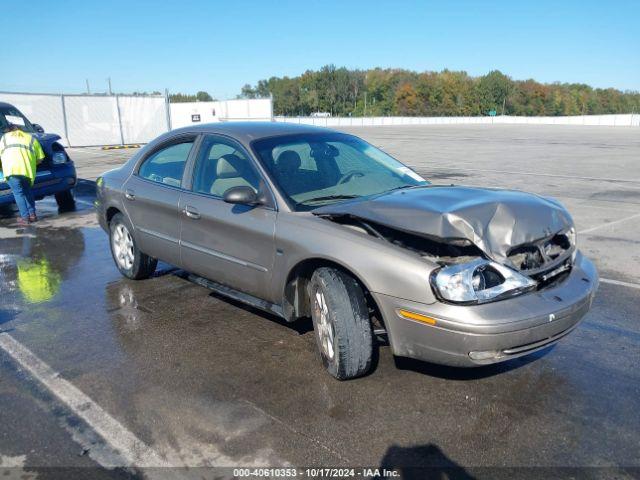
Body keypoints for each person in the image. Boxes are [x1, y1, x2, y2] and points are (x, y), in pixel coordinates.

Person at [0, 123, 45, 225]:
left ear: (8, 131)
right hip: (27, 171)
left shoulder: (4, 138)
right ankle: (32, 215)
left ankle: (25, 218)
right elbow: (41, 158)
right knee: (27, 192)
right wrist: (32, 163)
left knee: (18, 193)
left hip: (12, 170)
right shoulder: (30, 138)